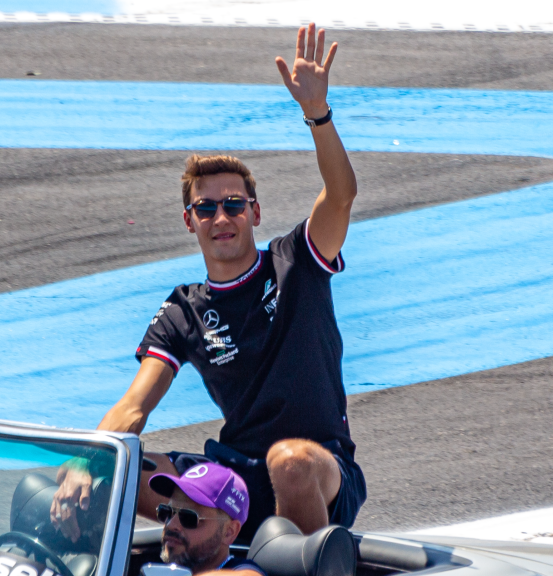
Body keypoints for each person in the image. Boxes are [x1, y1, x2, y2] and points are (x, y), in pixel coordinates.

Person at [51, 22, 366, 543]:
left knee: (289, 461)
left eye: (234, 204)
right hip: (234, 478)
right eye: (206, 207)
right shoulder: (183, 312)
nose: (222, 216)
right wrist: (90, 461)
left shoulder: (297, 262)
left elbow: (341, 196)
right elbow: (133, 407)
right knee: (107, 473)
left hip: (320, 469)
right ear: (190, 221)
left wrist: (317, 114)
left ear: (254, 212)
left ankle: (310, 560)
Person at [149, 463, 264, 576]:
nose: (170, 524)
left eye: (189, 517)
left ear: (229, 532)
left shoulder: (240, 569)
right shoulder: (156, 564)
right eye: (166, 512)